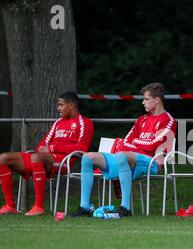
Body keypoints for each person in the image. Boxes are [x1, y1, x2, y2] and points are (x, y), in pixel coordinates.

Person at [71, 82, 177, 218]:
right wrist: (137, 145)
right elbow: (127, 141)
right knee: (87, 158)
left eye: (146, 99)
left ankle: (125, 208)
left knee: (121, 155)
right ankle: (84, 206)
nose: (143, 102)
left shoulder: (169, 121)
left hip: (152, 162)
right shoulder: (142, 120)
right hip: (127, 157)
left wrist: (136, 142)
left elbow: (153, 145)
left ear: (157, 100)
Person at [0, 91, 94, 216]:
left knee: (36, 157)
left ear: (71, 105)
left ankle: (39, 207)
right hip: (43, 158)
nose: (58, 108)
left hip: (63, 162)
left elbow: (82, 148)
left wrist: (53, 148)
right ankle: (9, 206)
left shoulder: (85, 122)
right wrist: (48, 149)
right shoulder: (58, 123)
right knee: (3, 158)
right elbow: (41, 147)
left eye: (61, 105)